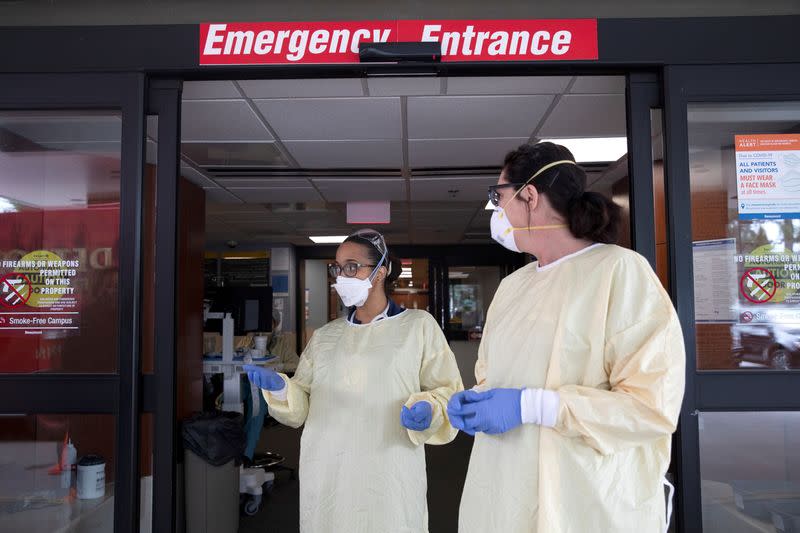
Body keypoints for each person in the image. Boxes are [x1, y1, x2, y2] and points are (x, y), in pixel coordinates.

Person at [447, 142, 686, 533]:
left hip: (588, 501)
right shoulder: (513, 287)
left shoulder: (620, 272)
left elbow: (651, 406)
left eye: (498, 196)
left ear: (529, 196)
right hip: (507, 495)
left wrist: (534, 407)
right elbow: (496, 376)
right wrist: (479, 400)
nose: (496, 210)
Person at [244, 229, 464, 533]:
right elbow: (301, 406)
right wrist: (282, 388)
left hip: (388, 471)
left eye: (351, 266)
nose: (341, 275)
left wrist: (429, 409)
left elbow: (447, 391)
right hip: (329, 471)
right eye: (337, 267)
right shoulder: (325, 337)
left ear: (379, 273)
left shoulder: (418, 327)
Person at [267, 309, 300, 374]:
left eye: (268, 324)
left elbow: (297, 364)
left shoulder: (281, 343)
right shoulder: (248, 342)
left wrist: (280, 367)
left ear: (274, 326)